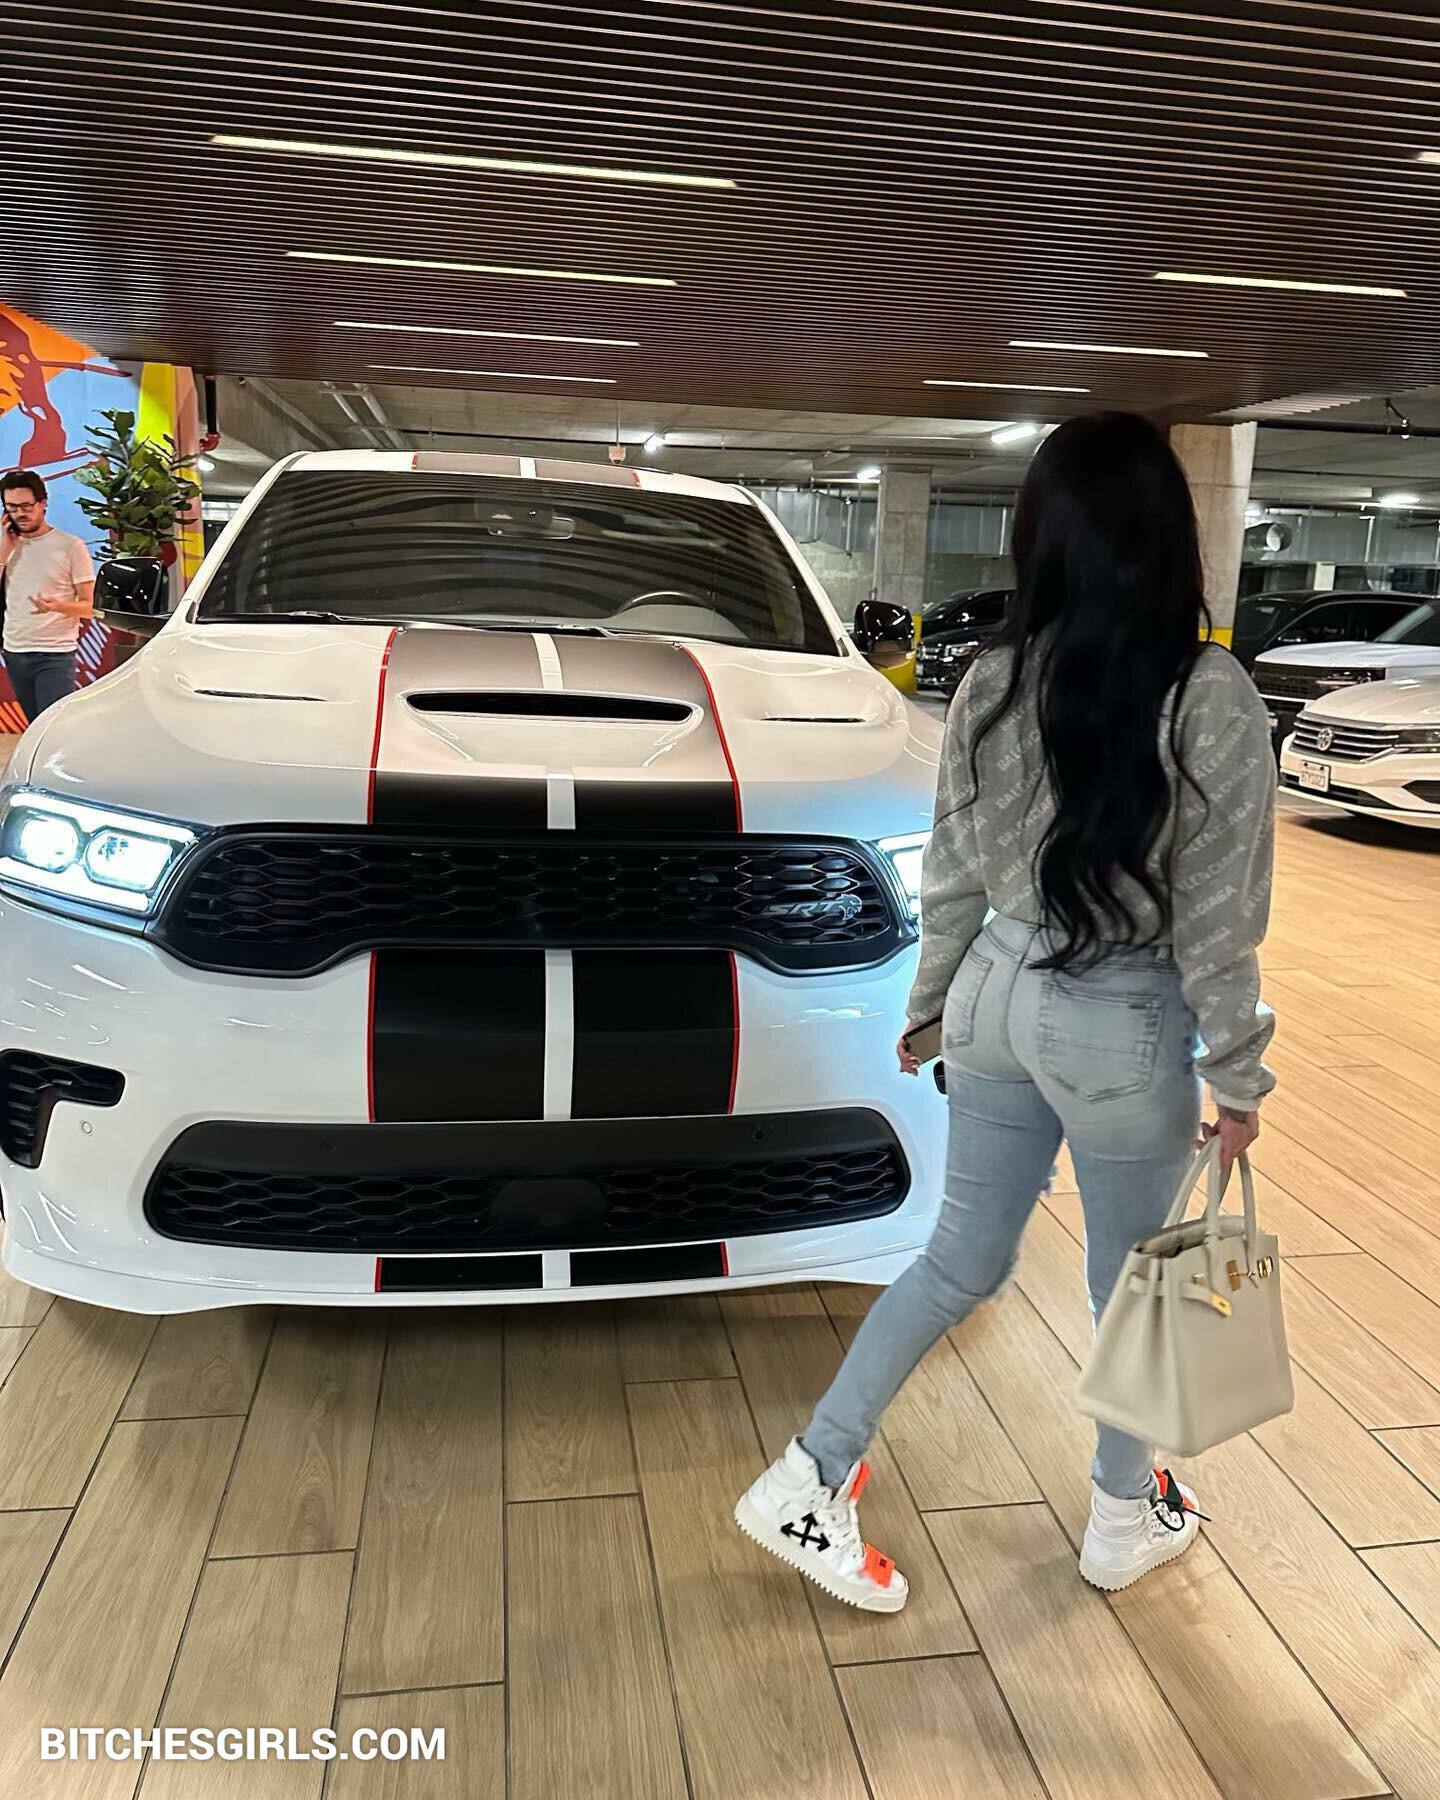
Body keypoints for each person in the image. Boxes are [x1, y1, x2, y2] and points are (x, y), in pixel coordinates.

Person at [735, 412, 1276, 1609]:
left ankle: (809, 1477)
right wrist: (1237, 1077)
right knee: (1130, 1291)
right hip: (1124, 1023)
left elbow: (952, 876)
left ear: (1039, 538)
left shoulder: (990, 679)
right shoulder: (1211, 696)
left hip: (993, 995)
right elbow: (1218, 920)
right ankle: (1122, 1517)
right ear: (1169, 538)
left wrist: (928, 1009)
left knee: (957, 1262)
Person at [1, 469, 95, 722]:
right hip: (14, 651)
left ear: (43, 503)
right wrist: (5, 550)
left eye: (26, 505)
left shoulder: (70, 546)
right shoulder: (5, 546)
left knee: (51, 726)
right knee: (34, 726)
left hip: (55, 653)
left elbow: (91, 607)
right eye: (11, 507)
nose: (20, 513)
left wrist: (58, 606)